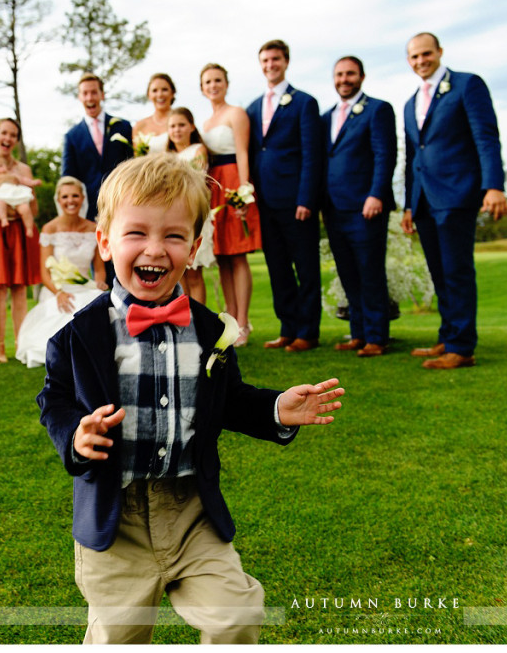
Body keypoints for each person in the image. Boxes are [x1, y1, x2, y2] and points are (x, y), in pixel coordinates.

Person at [37, 153, 344, 644]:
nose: (154, 250)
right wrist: (77, 434)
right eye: (136, 233)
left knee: (237, 616)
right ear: (104, 240)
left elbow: (229, 401)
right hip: (116, 521)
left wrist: (274, 409)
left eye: (174, 236)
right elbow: (54, 401)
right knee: (119, 637)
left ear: (195, 246)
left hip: (191, 512)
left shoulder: (211, 331)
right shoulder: (77, 335)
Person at [401, 32, 507, 369]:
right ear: (409, 61)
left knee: (457, 271)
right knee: (439, 273)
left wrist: (493, 186)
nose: (421, 61)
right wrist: (407, 204)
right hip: (423, 200)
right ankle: (448, 336)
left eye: (426, 54)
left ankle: (461, 348)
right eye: (415, 57)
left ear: (440, 52)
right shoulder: (410, 102)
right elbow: (411, 157)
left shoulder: (467, 85)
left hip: (457, 194)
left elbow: (486, 138)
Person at [246, 40, 324, 352]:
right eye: (264, 60)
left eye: (275, 59)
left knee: (305, 268)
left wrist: (306, 199)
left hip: (296, 201)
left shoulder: (304, 102)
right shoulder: (252, 107)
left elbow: (312, 154)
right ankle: (287, 328)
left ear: (286, 61)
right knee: (278, 269)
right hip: (265, 202)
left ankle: (308, 331)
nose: (270, 65)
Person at [320, 57, 397, 358]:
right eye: (339, 74)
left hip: (366, 207)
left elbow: (384, 155)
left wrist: (376, 194)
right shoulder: (326, 117)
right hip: (334, 209)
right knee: (348, 273)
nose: (344, 79)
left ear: (361, 76)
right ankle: (358, 333)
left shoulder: (378, 109)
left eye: (350, 73)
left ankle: (377, 337)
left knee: (370, 272)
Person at [15, 177, 107, 368]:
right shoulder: (50, 228)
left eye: (75, 196)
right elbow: (44, 272)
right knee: (65, 317)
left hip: (85, 287)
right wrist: (58, 293)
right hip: (57, 289)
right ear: (59, 200)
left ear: (82, 198)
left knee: (97, 304)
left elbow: (99, 269)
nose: (70, 201)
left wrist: (99, 282)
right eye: (65, 197)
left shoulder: (93, 229)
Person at [0, 118, 42, 363]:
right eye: (4, 132)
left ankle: (20, 343)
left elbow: (33, 207)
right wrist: (2, 181)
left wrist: (24, 202)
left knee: (19, 289)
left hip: (19, 230)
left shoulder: (23, 169)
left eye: (13, 134)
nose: (7, 138)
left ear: (16, 140)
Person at [199, 63, 258, 344]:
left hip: (233, 181)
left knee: (237, 254)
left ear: (226, 83)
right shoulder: (206, 123)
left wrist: (244, 191)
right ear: (202, 88)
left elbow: (243, 152)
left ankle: (244, 323)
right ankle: (231, 321)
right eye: (208, 82)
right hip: (213, 186)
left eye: (218, 80)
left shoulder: (236, 113)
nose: (213, 85)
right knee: (221, 255)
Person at [61, 72, 134, 222]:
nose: (89, 98)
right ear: (79, 97)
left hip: (122, 202)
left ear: (102, 95)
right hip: (88, 209)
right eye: (85, 93)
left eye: (94, 92)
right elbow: (68, 176)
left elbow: (132, 164)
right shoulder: (71, 136)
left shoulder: (123, 126)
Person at [166, 106, 214, 304]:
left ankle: (198, 322)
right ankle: (184, 321)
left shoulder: (198, 151)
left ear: (191, 127)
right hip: (172, 217)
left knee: (194, 273)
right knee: (180, 274)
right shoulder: (167, 156)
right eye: (173, 126)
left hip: (193, 214)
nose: (177, 130)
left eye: (181, 125)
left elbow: (199, 181)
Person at [0, 154, 37, 235]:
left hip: (16, 198)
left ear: (6, 167)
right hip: (0, 203)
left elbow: (24, 180)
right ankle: (3, 219)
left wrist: (33, 182)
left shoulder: (12, 175)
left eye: (0, 166)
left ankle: (29, 228)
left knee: (25, 208)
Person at [132, 73, 175, 154]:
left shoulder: (182, 121)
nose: (160, 94)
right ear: (149, 95)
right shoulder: (140, 126)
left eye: (164, 89)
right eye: (154, 90)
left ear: (172, 93)